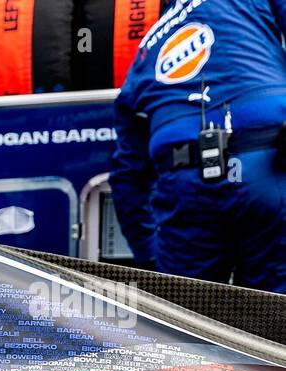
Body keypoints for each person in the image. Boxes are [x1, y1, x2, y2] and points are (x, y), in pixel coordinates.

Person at [112, 0, 286, 292]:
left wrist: (150, 259)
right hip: (267, 167)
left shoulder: (143, 54)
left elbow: (126, 178)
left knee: (189, 320)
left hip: (185, 182)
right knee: (274, 317)